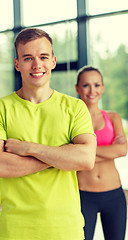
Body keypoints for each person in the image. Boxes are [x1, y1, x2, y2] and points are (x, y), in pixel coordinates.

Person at [0, 28, 96, 240]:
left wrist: (29, 149)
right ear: (17, 64)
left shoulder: (75, 107)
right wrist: (61, 157)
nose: (37, 65)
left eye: (43, 57)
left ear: (53, 61)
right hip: (15, 231)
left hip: (66, 230)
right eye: (28, 58)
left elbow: (86, 159)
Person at [75, 66, 127, 240]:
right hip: (83, 195)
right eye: (86, 85)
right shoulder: (71, 120)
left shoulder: (113, 117)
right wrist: (109, 151)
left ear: (103, 88)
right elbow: (69, 157)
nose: (92, 91)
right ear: (77, 88)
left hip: (114, 195)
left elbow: (122, 149)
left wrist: (83, 152)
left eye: (97, 85)